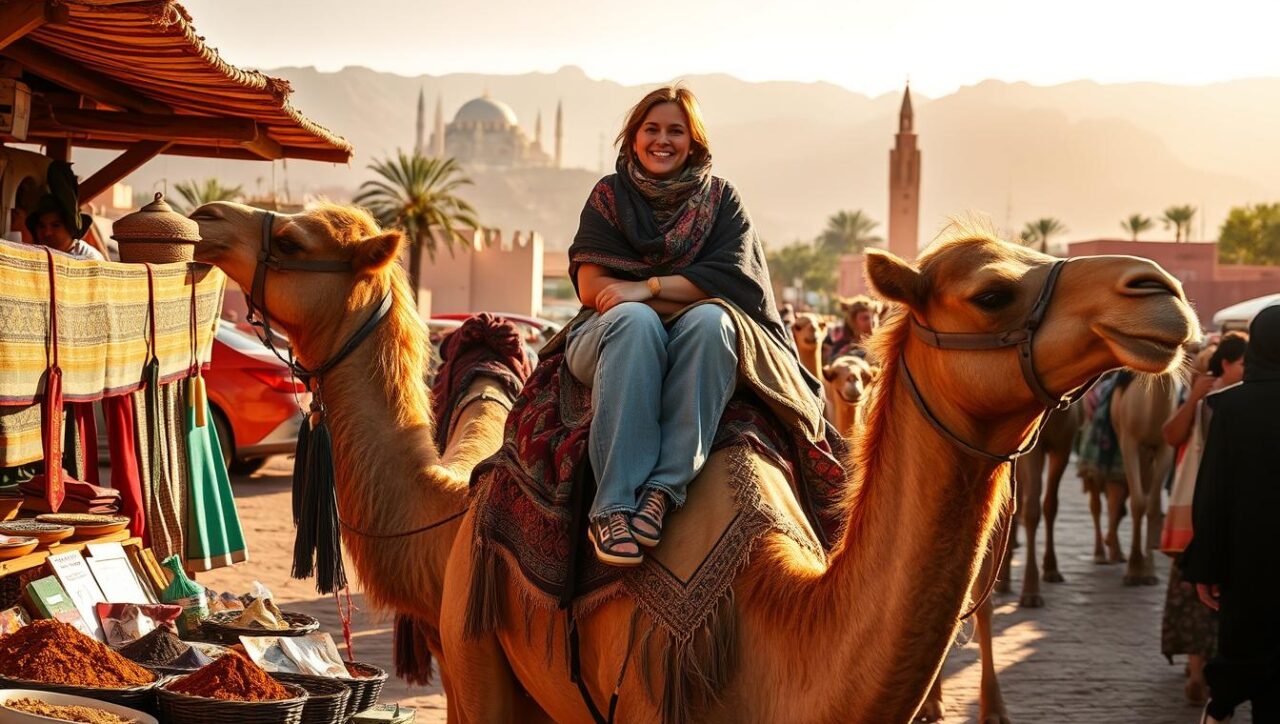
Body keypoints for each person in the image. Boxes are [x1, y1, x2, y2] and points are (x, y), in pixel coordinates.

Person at [566, 85, 813, 565]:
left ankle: (662, 489)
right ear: (633, 138)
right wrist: (644, 301)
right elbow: (593, 285)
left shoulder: (722, 201)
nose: (663, 140)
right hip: (607, 336)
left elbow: (733, 284)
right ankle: (612, 507)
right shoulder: (609, 196)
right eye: (652, 129)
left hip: (690, 334)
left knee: (713, 321)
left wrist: (646, 288)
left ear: (694, 141)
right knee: (636, 324)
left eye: (675, 131)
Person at [1183, 307, 1280, 724]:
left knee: (1246, 653)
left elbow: (1213, 494)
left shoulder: (1231, 409)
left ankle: (1220, 707)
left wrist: (1206, 564)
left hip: (1248, 565)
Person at [1160, 333, 1247, 706]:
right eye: (1242, 363)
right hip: (1199, 510)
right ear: (1224, 365)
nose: (1247, 370)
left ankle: (1203, 672)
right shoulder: (1204, 401)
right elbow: (1170, 435)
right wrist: (1194, 396)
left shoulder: (1247, 403)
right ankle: (1198, 673)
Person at [24, 161, 103, 261]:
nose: (47, 232)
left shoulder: (88, 259)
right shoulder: (37, 257)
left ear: (70, 228)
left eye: (56, 225)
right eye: (42, 226)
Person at [824, 294, 880, 363]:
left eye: (872, 317)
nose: (872, 321)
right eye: (865, 318)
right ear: (853, 322)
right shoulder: (844, 346)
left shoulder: (880, 343)